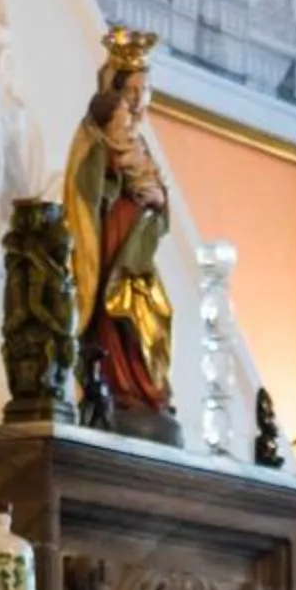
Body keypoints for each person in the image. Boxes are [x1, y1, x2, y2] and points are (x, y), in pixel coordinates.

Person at [64, 28, 179, 442]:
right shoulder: (98, 135)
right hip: (113, 242)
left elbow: (159, 199)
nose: (136, 99)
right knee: (118, 313)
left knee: (153, 313)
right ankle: (121, 387)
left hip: (137, 246)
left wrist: (156, 199)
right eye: (130, 90)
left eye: (142, 90)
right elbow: (88, 189)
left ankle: (146, 392)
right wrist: (122, 186)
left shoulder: (139, 142)